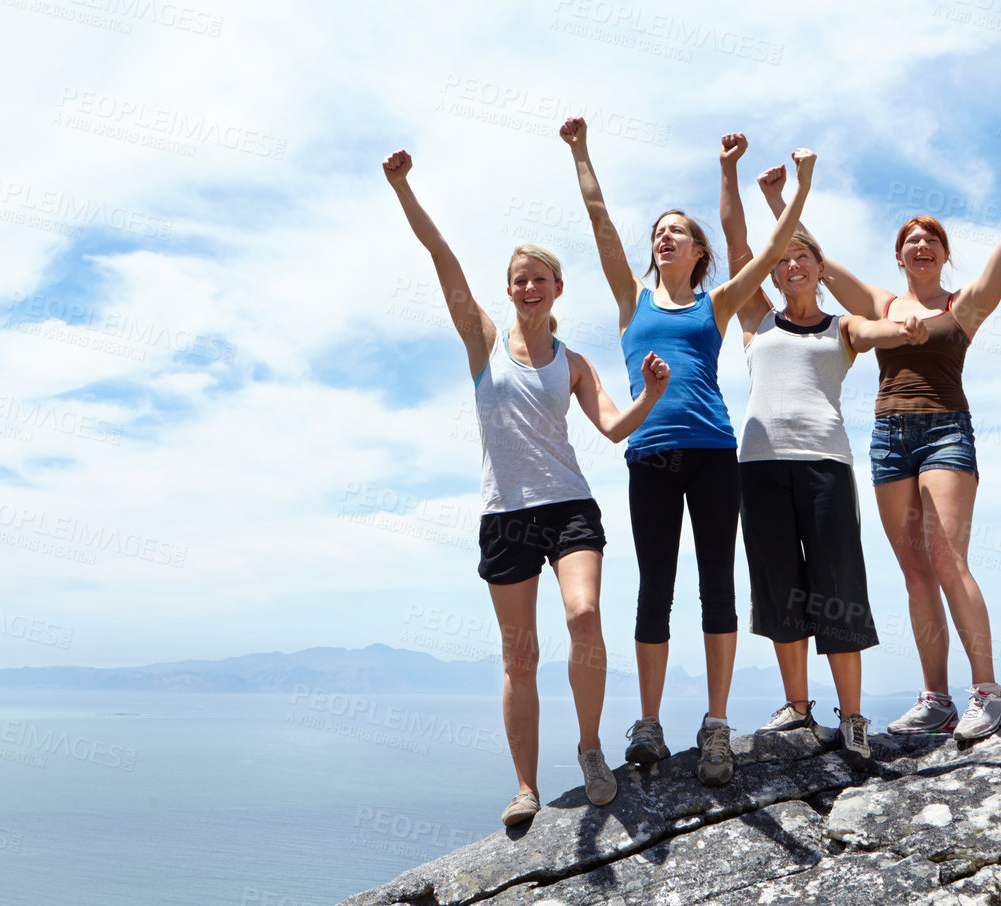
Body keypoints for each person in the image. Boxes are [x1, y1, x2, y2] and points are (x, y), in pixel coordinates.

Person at [757, 134, 1001, 742]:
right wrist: (782, 201)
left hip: (944, 433)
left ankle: (987, 692)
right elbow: (817, 265)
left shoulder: (966, 307)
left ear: (943, 255)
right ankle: (935, 698)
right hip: (888, 435)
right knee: (914, 572)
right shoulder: (883, 304)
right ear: (900, 258)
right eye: (910, 240)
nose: (920, 245)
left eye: (931, 239)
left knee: (946, 558)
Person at [383, 148, 671, 827]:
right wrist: (403, 188)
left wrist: (652, 394)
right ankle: (525, 788)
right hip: (505, 514)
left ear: (557, 289)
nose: (528, 287)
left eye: (539, 278)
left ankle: (592, 748)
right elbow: (440, 253)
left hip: (569, 505)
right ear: (508, 290)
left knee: (582, 616)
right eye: (518, 279)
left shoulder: (572, 361)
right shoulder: (482, 341)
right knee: (521, 654)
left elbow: (613, 427)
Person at [561, 117, 816, 786]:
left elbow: (764, 259)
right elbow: (601, 222)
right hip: (649, 457)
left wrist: (802, 185)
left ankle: (716, 726)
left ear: (699, 250)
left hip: (710, 453)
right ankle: (648, 725)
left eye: (676, 230)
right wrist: (581, 151)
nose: (662, 236)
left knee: (716, 590)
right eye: (658, 232)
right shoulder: (631, 299)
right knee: (653, 591)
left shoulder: (718, 302)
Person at [718, 133, 930, 765]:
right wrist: (728, 173)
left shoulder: (841, 327)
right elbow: (734, 240)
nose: (791, 266)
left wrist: (907, 323)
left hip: (826, 468)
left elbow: (877, 326)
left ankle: (854, 718)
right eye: (781, 259)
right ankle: (799, 708)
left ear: (815, 265)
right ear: (774, 271)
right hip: (759, 466)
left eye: (801, 257)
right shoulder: (756, 319)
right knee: (780, 586)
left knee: (837, 588)